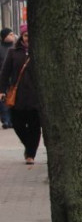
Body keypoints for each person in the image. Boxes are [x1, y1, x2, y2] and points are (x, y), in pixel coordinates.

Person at [0, 25, 41, 165]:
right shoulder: (13, 52)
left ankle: (30, 154)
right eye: (25, 35)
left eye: (30, 35)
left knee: (35, 126)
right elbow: (5, 73)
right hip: (18, 96)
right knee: (17, 124)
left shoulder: (40, 52)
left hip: (36, 97)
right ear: (22, 37)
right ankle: (29, 146)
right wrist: (2, 90)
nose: (28, 38)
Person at [0, 28, 14, 128]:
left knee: (12, 97)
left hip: (13, 76)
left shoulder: (15, 47)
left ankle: (11, 120)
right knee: (3, 98)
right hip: (2, 76)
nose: (12, 36)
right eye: (10, 34)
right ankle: (6, 120)